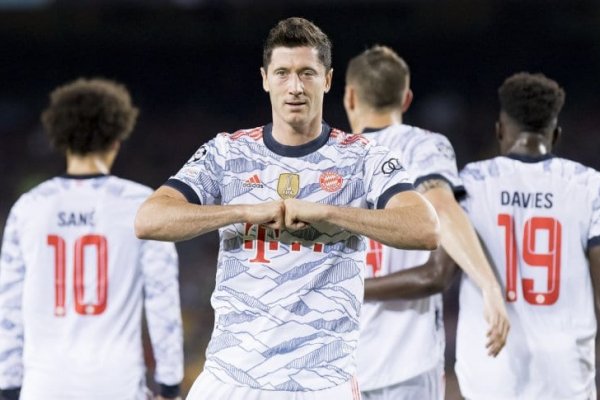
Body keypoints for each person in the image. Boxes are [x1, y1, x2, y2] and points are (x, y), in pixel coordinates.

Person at [135, 17, 440, 400]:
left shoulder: (363, 157)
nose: (295, 87)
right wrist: (243, 211)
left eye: (307, 73)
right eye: (283, 73)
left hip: (321, 383)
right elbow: (149, 219)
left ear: (327, 80)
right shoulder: (227, 151)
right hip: (231, 379)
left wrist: (329, 213)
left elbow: (426, 228)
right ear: (265, 78)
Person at [0, 78, 184, 400]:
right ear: (117, 137)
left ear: (60, 138)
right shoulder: (142, 204)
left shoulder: (29, 207)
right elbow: (162, 299)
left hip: (44, 383)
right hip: (117, 383)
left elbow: (8, 307)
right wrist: (169, 386)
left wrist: (8, 387)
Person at [343, 45, 510, 400]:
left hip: (337, 368)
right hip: (407, 364)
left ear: (350, 97)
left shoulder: (326, 158)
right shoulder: (420, 146)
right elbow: (442, 209)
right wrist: (489, 286)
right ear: (406, 99)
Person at [449, 72, 600, 399]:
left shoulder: (469, 182)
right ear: (556, 134)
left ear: (500, 130)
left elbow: (441, 272)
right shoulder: (590, 185)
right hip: (566, 373)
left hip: (490, 367)